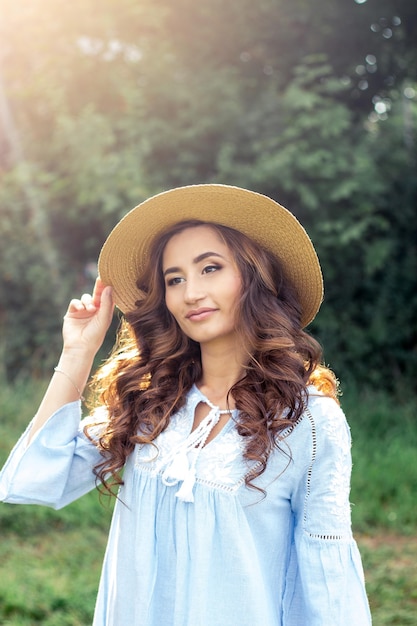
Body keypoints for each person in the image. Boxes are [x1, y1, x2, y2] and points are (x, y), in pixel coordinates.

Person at [0, 184, 372, 625]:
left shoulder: (307, 419)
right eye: (174, 279)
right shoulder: (152, 399)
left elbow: (326, 578)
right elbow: (30, 479)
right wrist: (78, 352)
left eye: (210, 268)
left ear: (253, 276)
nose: (190, 292)